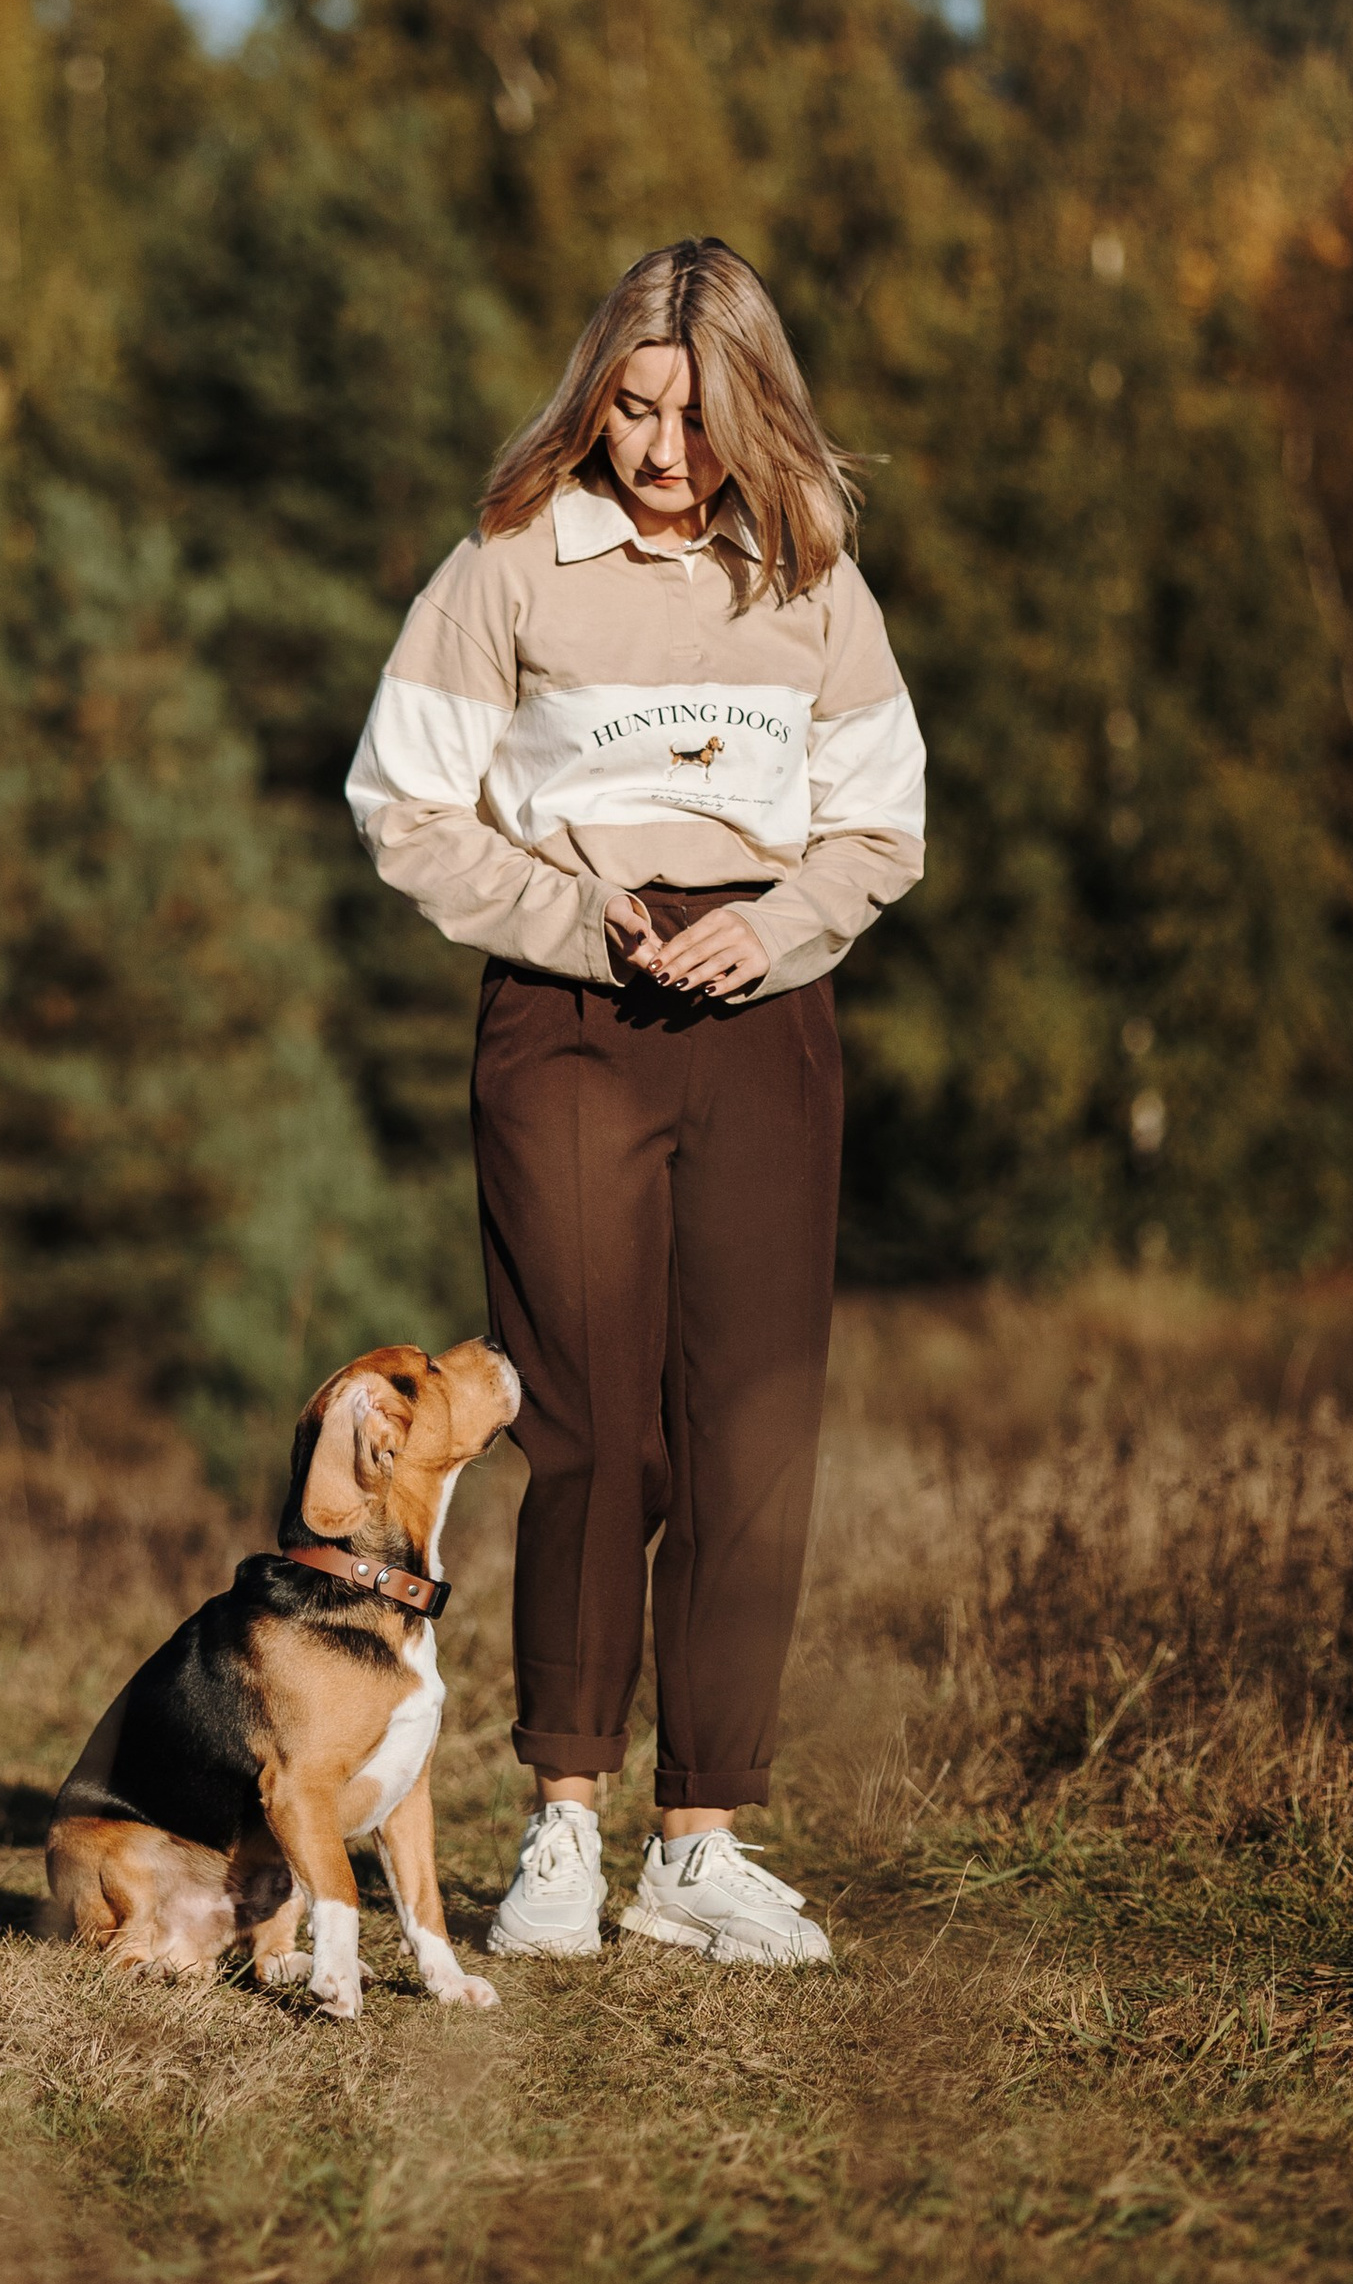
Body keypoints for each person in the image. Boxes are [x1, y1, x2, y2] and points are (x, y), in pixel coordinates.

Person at [346, 238, 924, 1969]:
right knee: (592, 1426)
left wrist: (777, 926)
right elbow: (403, 803)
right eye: (632, 403)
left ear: (757, 408)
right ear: (593, 388)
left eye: (697, 412)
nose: (660, 448)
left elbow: (881, 824)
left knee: (749, 1434)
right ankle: (560, 1829)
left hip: (768, 1020)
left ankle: (702, 1846)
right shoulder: (511, 563)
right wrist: (574, 912)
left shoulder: (810, 574)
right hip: (570, 1015)